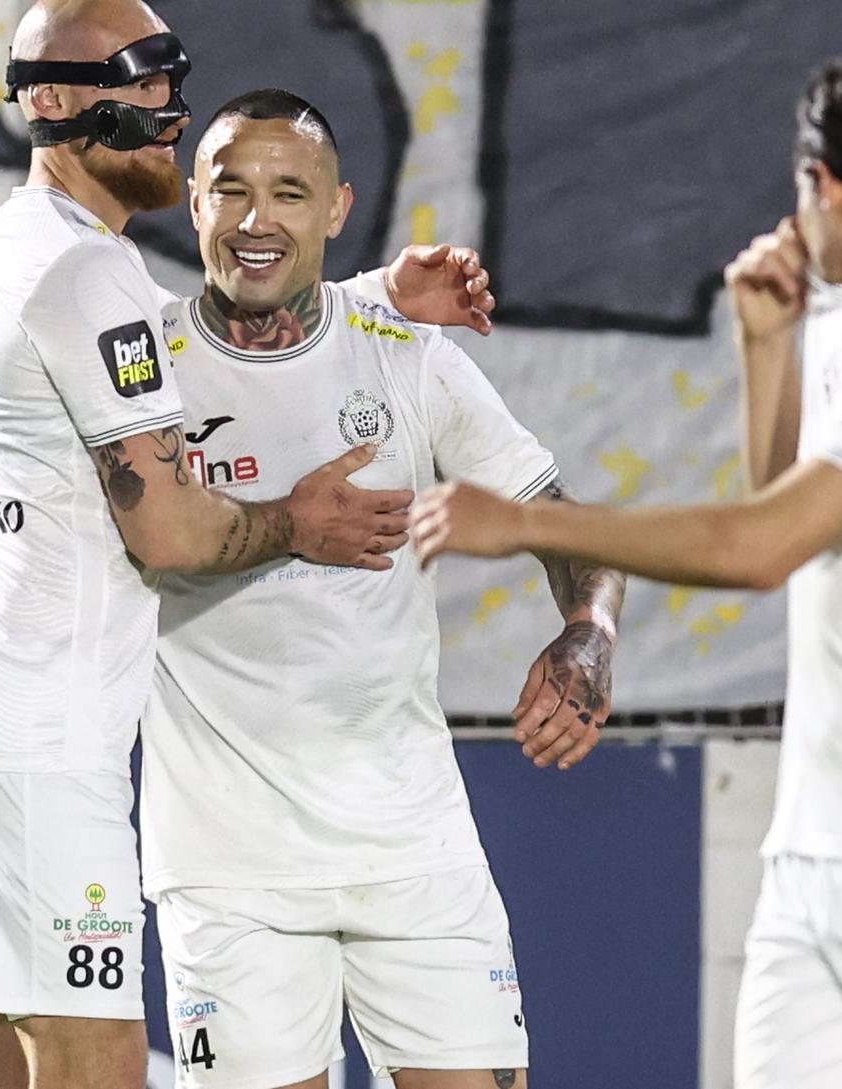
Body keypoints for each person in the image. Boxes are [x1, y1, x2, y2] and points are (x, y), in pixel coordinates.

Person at [412, 49, 842, 1089]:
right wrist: (766, 344)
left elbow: (762, 547)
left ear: (824, 183)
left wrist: (522, 524)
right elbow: (788, 506)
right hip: (822, 858)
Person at [0, 0, 501, 1089]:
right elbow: (171, 533)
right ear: (83, 108)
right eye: (153, 87)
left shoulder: (1, 242)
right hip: (46, 727)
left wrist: (365, 292)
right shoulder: (91, 270)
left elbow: (173, 344)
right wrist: (297, 521)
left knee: (12, 1066)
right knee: (97, 1067)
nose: (174, 117)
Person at [141, 89, 627, 1089]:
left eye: (289, 192)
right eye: (229, 191)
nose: (256, 219)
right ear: (194, 206)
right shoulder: (142, 374)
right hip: (232, 866)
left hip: (413, 848)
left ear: (336, 209)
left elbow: (570, 525)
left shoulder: (404, 351)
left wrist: (588, 632)